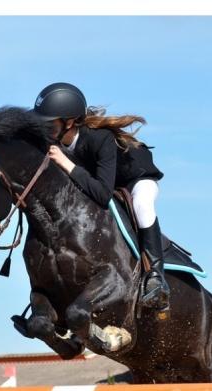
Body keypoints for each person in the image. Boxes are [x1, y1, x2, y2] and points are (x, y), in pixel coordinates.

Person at [32, 82, 170, 310]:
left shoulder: (100, 138)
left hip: (135, 178)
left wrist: (66, 163)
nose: (44, 130)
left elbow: (102, 195)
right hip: (103, 180)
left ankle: (156, 277)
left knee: (142, 205)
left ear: (69, 122)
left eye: (49, 124)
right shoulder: (58, 142)